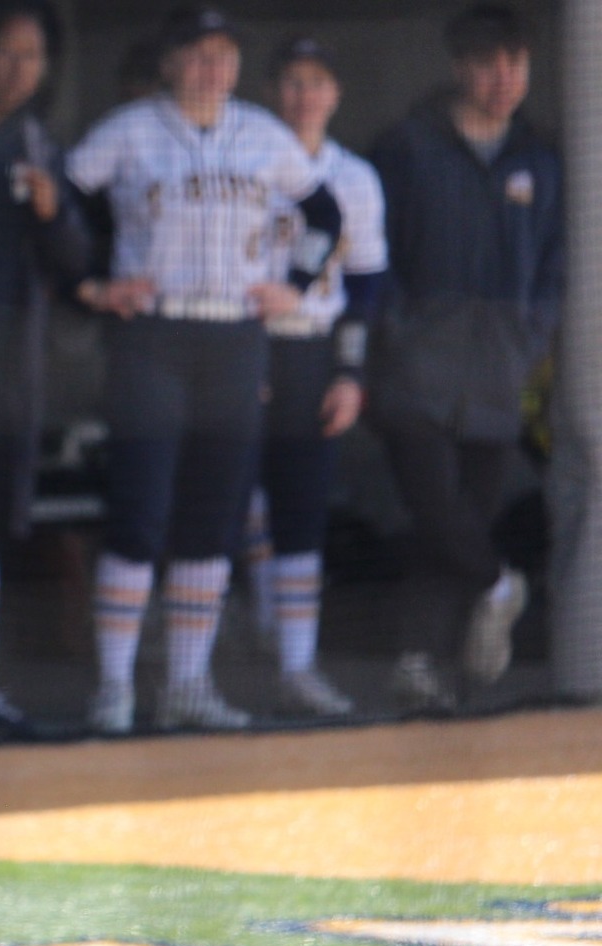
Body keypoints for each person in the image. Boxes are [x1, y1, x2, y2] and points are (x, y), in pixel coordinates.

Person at [66, 5, 342, 733]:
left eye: (223, 55)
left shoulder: (262, 133)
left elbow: (323, 211)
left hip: (236, 335)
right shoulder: (128, 129)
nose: (210, 68)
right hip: (153, 334)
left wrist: (300, 285)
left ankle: (188, 684)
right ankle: (115, 689)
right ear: (168, 63)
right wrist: (91, 282)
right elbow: (62, 202)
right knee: (141, 507)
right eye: (195, 54)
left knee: (213, 513)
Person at [367, 3, 562, 710]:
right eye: (487, 64)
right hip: (414, 370)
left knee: (456, 524)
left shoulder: (540, 160)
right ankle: (501, 586)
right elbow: (370, 250)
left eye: (516, 63)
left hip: (496, 371)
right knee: (435, 505)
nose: (503, 78)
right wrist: (397, 329)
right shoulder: (405, 149)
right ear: (458, 68)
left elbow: (557, 264)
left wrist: (531, 336)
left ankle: (422, 664)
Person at [237, 37, 388, 719]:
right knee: (222, 507)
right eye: (293, 81)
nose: (305, 95)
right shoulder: (246, 156)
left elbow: (363, 288)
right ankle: (200, 673)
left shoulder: (353, 177)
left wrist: (349, 372)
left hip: (311, 351)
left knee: (300, 512)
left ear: (337, 93)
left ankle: (297, 666)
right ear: (273, 89)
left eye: (318, 82)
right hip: (236, 347)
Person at [0, 1, 90, 732]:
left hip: (11, 366)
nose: (17, 68)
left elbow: (75, 266)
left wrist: (50, 213)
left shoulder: (40, 144)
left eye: (31, 57)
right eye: (5, 51)